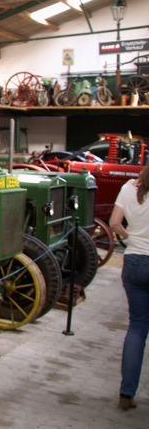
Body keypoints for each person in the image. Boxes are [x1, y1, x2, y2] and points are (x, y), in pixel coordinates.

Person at [110, 164, 149, 411]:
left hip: (134, 262)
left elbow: (114, 223)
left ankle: (126, 393)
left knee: (137, 327)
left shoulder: (128, 188)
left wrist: (128, 237)